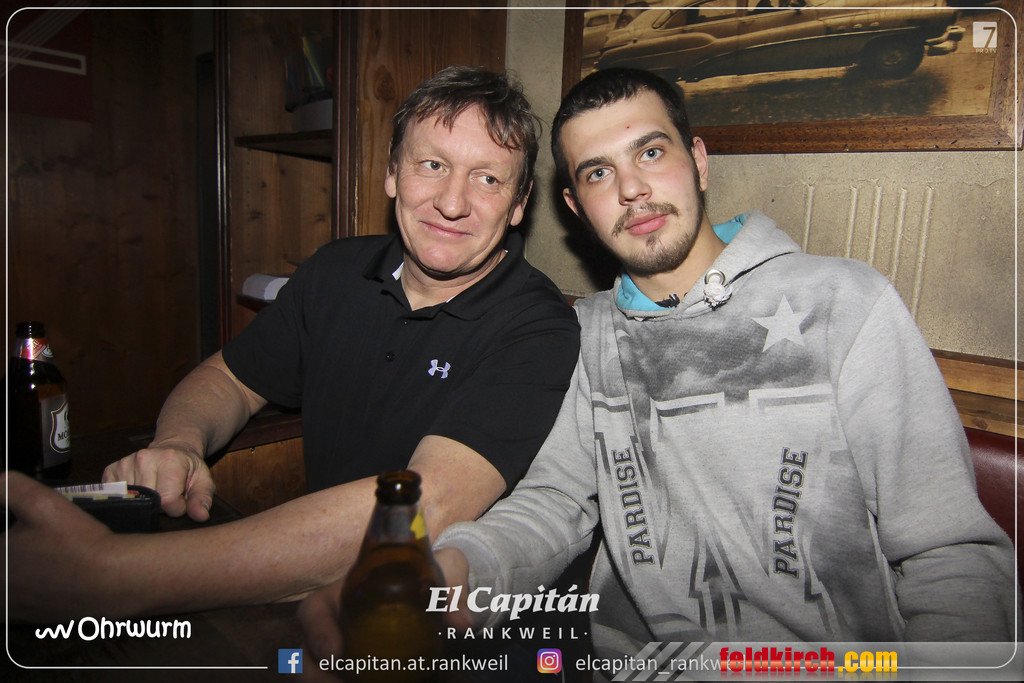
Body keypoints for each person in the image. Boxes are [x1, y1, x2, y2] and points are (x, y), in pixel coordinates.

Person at [296, 67, 1017, 662]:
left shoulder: (844, 303)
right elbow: (553, 504)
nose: (632, 189)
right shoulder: (583, 334)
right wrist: (448, 574)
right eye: (598, 172)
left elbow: (950, 551)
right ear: (574, 206)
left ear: (697, 161)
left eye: (649, 153)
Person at [3, 66, 580, 622]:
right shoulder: (335, 272)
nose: (452, 202)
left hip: (435, 625)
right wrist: (178, 443)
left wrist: (116, 575)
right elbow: (230, 378)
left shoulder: (538, 327)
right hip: (294, 585)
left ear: (519, 203)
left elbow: (425, 507)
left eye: (487, 178)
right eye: (432, 165)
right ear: (392, 173)